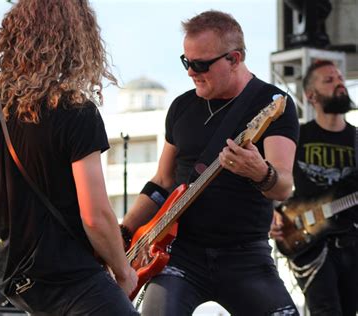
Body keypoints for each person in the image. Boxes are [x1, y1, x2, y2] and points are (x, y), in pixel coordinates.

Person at [0, 0, 138, 315]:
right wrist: (123, 272)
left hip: (18, 278)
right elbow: (95, 214)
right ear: (76, 42)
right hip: (70, 276)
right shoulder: (75, 110)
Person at [121, 10, 300, 315]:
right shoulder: (180, 107)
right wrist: (125, 231)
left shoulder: (272, 104)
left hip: (246, 257)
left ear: (234, 58)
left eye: (201, 64)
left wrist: (260, 172)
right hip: (180, 255)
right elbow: (162, 182)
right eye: (186, 61)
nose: (191, 71)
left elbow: (282, 186)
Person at [270, 60, 357, 316]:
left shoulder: (356, 138)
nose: (339, 82)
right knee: (325, 310)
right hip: (306, 236)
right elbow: (269, 175)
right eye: (329, 80)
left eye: (340, 78)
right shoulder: (297, 135)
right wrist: (272, 211)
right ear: (311, 96)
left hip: (351, 239)